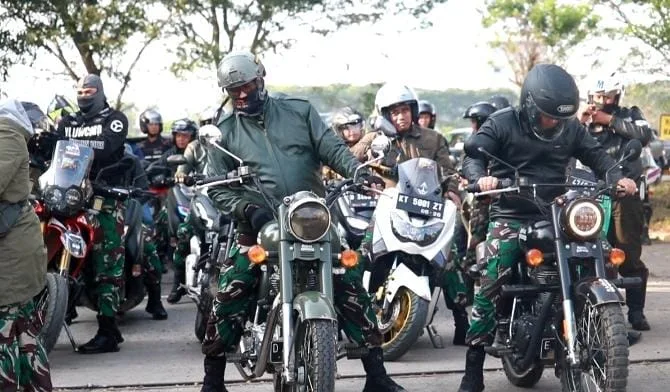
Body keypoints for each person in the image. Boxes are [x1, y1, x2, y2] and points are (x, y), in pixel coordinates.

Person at [201, 51, 405, 392]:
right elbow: (215, 187)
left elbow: (332, 148)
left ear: (261, 78)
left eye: (246, 86)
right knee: (231, 289)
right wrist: (247, 210)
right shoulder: (225, 133)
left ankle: (377, 375)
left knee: (350, 280)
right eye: (232, 89)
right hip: (258, 225)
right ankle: (213, 378)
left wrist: (356, 172)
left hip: (311, 218)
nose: (240, 95)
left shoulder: (299, 111)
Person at [457, 63, 638, 392]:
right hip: (511, 211)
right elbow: (473, 155)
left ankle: (592, 322)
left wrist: (617, 178)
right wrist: (478, 177)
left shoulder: (571, 129)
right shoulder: (502, 123)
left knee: (600, 250)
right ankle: (473, 368)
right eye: (547, 115)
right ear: (528, 105)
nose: (553, 122)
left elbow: (598, 158)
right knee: (492, 277)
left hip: (556, 210)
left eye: (559, 116)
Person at [359, 83, 470, 345]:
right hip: (388, 205)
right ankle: (349, 316)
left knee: (449, 262)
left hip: (427, 208)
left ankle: (462, 322)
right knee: (363, 255)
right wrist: (370, 141)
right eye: (394, 112)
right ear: (384, 114)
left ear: (413, 110)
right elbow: (352, 158)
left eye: (405, 110)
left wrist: (453, 193)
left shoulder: (433, 139)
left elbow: (450, 172)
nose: (401, 116)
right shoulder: (376, 137)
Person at [56, 74, 129, 354]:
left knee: (105, 263)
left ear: (99, 92)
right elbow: (56, 149)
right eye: (80, 91)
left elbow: (109, 146)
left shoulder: (115, 118)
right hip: (70, 196)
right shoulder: (68, 122)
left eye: (89, 90)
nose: (84, 95)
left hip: (105, 197)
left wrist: (74, 144)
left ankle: (109, 329)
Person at [581, 72, 653, 331]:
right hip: (588, 197)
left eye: (609, 96)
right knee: (586, 254)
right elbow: (563, 147)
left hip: (626, 195)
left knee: (627, 253)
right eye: (599, 96)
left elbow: (645, 136)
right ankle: (590, 311)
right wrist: (581, 121)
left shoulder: (629, 114)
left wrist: (609, 120)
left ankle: (636, 311)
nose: (603, 101)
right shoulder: (581, 121)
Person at [0, 99, 53, 391]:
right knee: (25, 337)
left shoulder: (6, 133)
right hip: (13, 250)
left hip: (11, 255)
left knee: (6, 336)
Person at [160, 118, 199, 304]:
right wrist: (162, 178)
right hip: (179, 199)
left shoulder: (204, 152)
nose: (182, 139)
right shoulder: (170, 155)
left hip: (205, 198)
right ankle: (177, 283)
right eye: (178, 135)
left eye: (186, 135)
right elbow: (156, 169)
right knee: (180, 232)